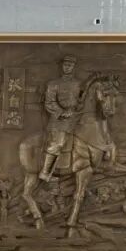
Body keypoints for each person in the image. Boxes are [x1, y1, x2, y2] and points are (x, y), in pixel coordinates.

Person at [39, 54, 83, 182]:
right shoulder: (53, 84)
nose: (67, 67)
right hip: (60, 121)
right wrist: (62, 112)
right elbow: (49, 102)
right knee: (58, 144)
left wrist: (75, 110)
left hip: (77, 118)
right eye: (65, 65)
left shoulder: (79, 84)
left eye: (70, 65)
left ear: (73, 67)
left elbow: (82, 101)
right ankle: (45, 172)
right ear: (62, 66)